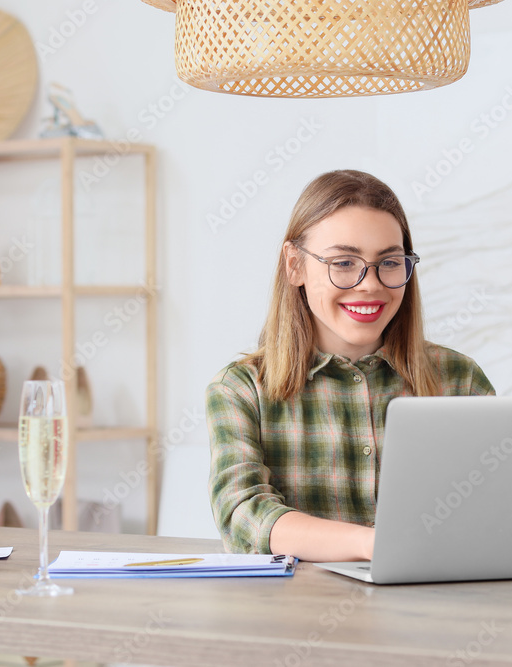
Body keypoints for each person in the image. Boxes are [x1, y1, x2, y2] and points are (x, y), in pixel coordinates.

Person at [205, 170, 495, 562]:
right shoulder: (241, 390)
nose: (370, 284)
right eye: (344, 262)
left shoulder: (460, 381)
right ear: (295, 265)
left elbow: (496, 507)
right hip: (291, 615)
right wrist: (370, 545)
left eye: (389, 262)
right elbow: (244, 514)